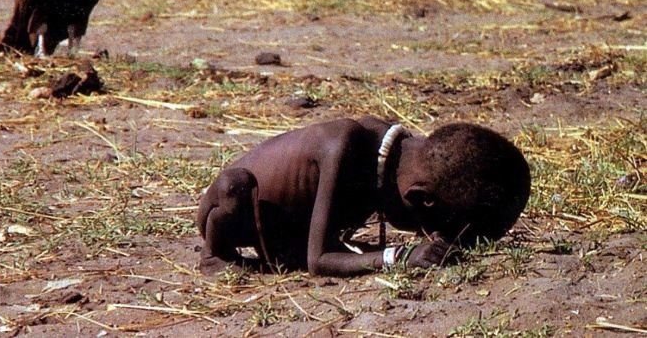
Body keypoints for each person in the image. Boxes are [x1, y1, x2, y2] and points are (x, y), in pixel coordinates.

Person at [196, 117, 531, 276]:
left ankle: (282, 251)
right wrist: (398, 256)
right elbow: (319, 261)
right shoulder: (344, 148)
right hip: (235, 212)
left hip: (288, 230)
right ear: (419, 199)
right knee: (232, 188)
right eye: (428, 228)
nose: (427, 236)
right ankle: (215, 256)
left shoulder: (396, 156)